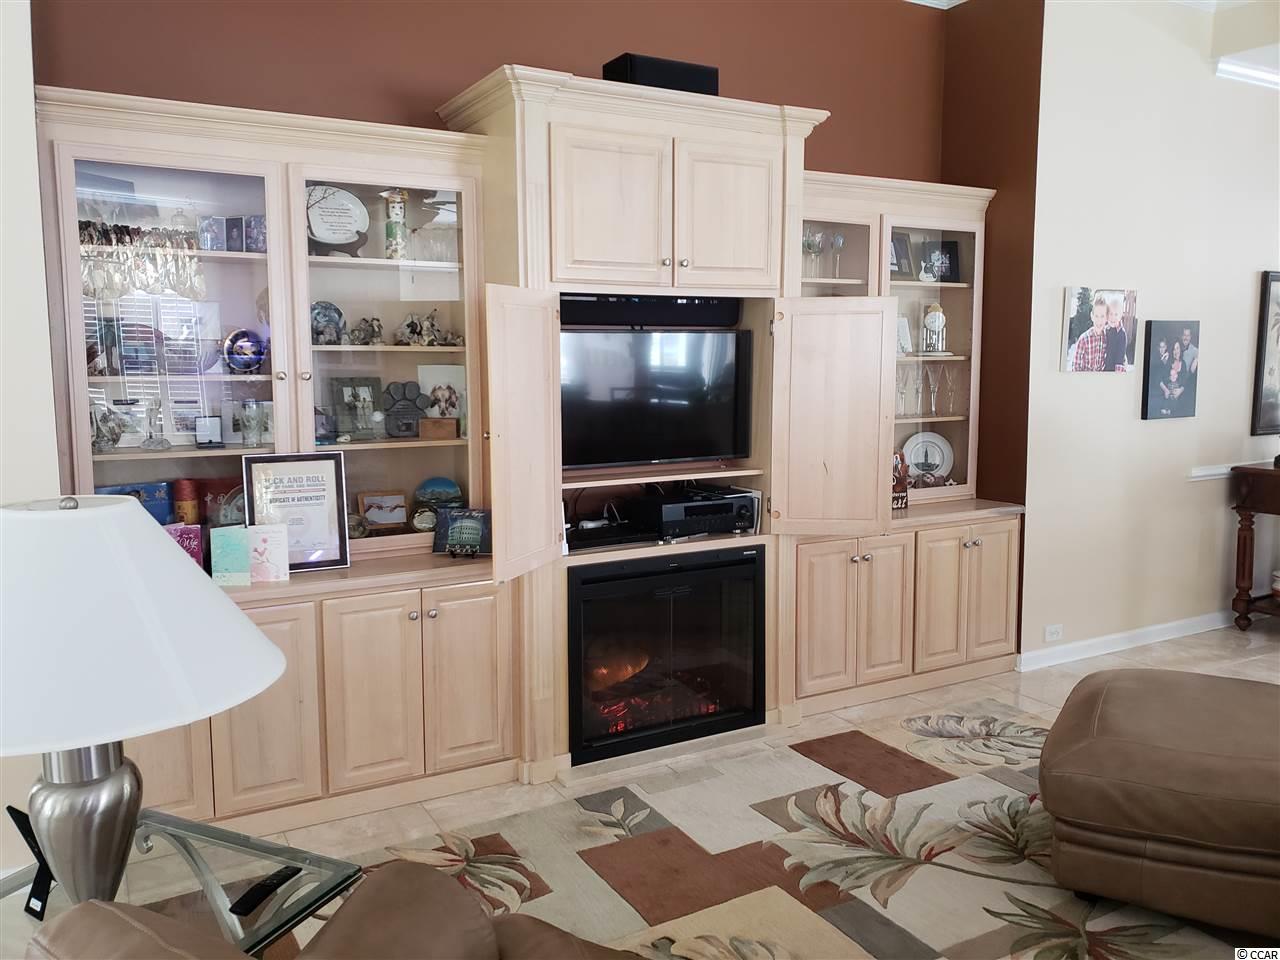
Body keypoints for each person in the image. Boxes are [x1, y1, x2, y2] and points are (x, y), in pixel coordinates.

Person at [1070, 294, 1108, 371]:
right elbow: (1076, 368)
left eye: (1102, 316)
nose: (1099, 320)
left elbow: (1120, 356)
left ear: (1106, 318)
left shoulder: (1108, 337)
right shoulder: (1083, 340)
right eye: (1096, 316)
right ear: (1092, 316)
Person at [1160, 339, 1187, 416]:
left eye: (1177, 348)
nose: (1176, 351)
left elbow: (1185, 381)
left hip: (1179, 396)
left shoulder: (1183, 363)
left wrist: (1180, 390)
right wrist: (1166, 390)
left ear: (1180, 350)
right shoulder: (1168, 362)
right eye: (1174, 349)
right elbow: (1160, 379)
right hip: (1167, 394)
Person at [1103, 297, 1128, 371]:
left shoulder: (1121, 334)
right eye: (1111, 314)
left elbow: (1120, 357)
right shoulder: (1106, 329)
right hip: (1105, 368)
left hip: (1115, 369)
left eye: (1116, 314)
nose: (1113, 317)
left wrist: (1117, 374)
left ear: (1120, 316)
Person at [1149, 337, 1170, 414]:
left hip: (1166, 385)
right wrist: (1162, 361)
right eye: (1160, 347)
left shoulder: (1168, 358)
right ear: (1158, 348)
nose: (1162, 349)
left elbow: (1168, 374)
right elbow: (1156, 377)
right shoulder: (1155, 358)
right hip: (1157, 387)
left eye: (1163, 347)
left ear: (1166, 347)